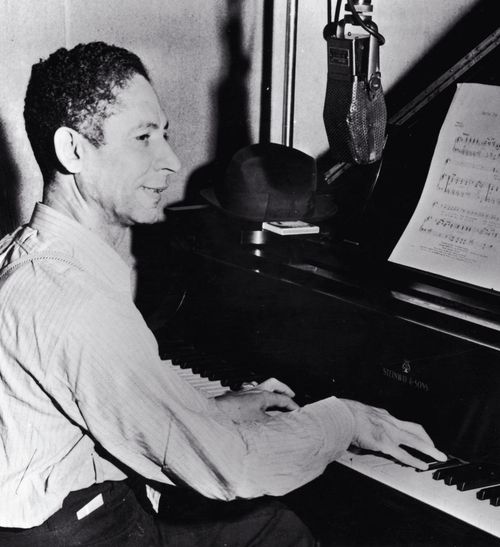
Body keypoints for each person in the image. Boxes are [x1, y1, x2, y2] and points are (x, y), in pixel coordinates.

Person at [0, 42, 446, 546]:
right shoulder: (77, 302)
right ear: (72, 150)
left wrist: (212, 410)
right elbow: (232, 469)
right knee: (287, 531)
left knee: (280, 528)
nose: (171, 161)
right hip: (86, 535)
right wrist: (346, 419)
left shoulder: (28, 256)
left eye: (164, 134)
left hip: (70, 519)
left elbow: (111, 407)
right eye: (144, 138)